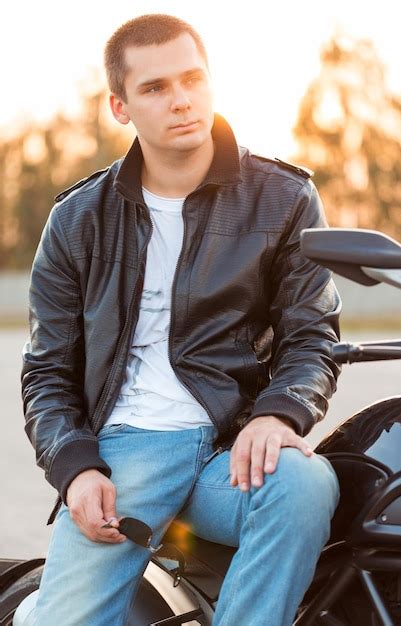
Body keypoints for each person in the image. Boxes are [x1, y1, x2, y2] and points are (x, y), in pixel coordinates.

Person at [21, 13, 341, 626]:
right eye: (155, 88)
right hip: (125, 456)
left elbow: (312, 332)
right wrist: (76, 468)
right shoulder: (77, 220)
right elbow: (48, 372)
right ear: (120, 107)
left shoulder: (284, 197)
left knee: (306, 483)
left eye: (192, 79)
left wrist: (279, 413)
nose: (181, 100)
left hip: (232, 449)